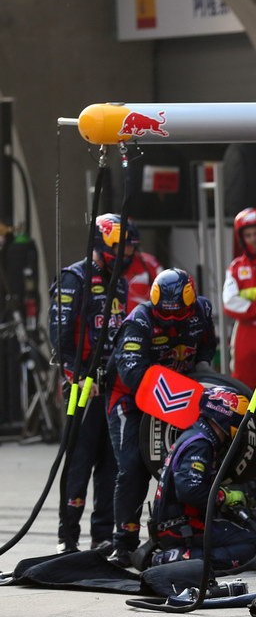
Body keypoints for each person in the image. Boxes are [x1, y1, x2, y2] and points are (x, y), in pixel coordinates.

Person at [107, 268, 217, 565]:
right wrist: (179, 395)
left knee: (191, 460)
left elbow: (208, 345)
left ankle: (182, 533)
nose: (169, 322)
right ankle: (123, 541)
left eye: (176, 315)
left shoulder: (202, 310)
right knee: (132, 467)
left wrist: (204, 366)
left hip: (180, 395)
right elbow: (133, 375)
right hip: (132, 399)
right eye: (163, 315)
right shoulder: (139, 321)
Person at [48, 213, 130, 554]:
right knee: (78, 462)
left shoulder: (120, 283)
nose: (123, 254)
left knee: (110, 463)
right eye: (118, 248)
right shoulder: (74, 278)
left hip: (112, 388)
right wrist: (77, 375)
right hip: (82, 386)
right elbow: (60, 338)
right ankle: (68, 537)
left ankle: (102, 536)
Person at [147, 386, 256, 568]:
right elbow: (190, 491)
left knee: (247, 533)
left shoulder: (196, 435)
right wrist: (223, 496)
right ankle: (179, 558)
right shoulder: (200, 444)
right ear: (224, 413)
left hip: (176, 524)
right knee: (252, 545)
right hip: (181, 528)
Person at [222, 207, 256, 387]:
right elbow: (229, 302)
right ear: (242, 239)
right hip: (245, 334)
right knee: (243, 385)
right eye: (248, 235)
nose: (253, 239)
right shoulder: (236, 267)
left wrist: (251, 295)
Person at [121, 224, 161, 313]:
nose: (126, 248)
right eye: (122, 244)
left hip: (142, 321)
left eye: (130, 244)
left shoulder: (150, 263)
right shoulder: (100, 266)